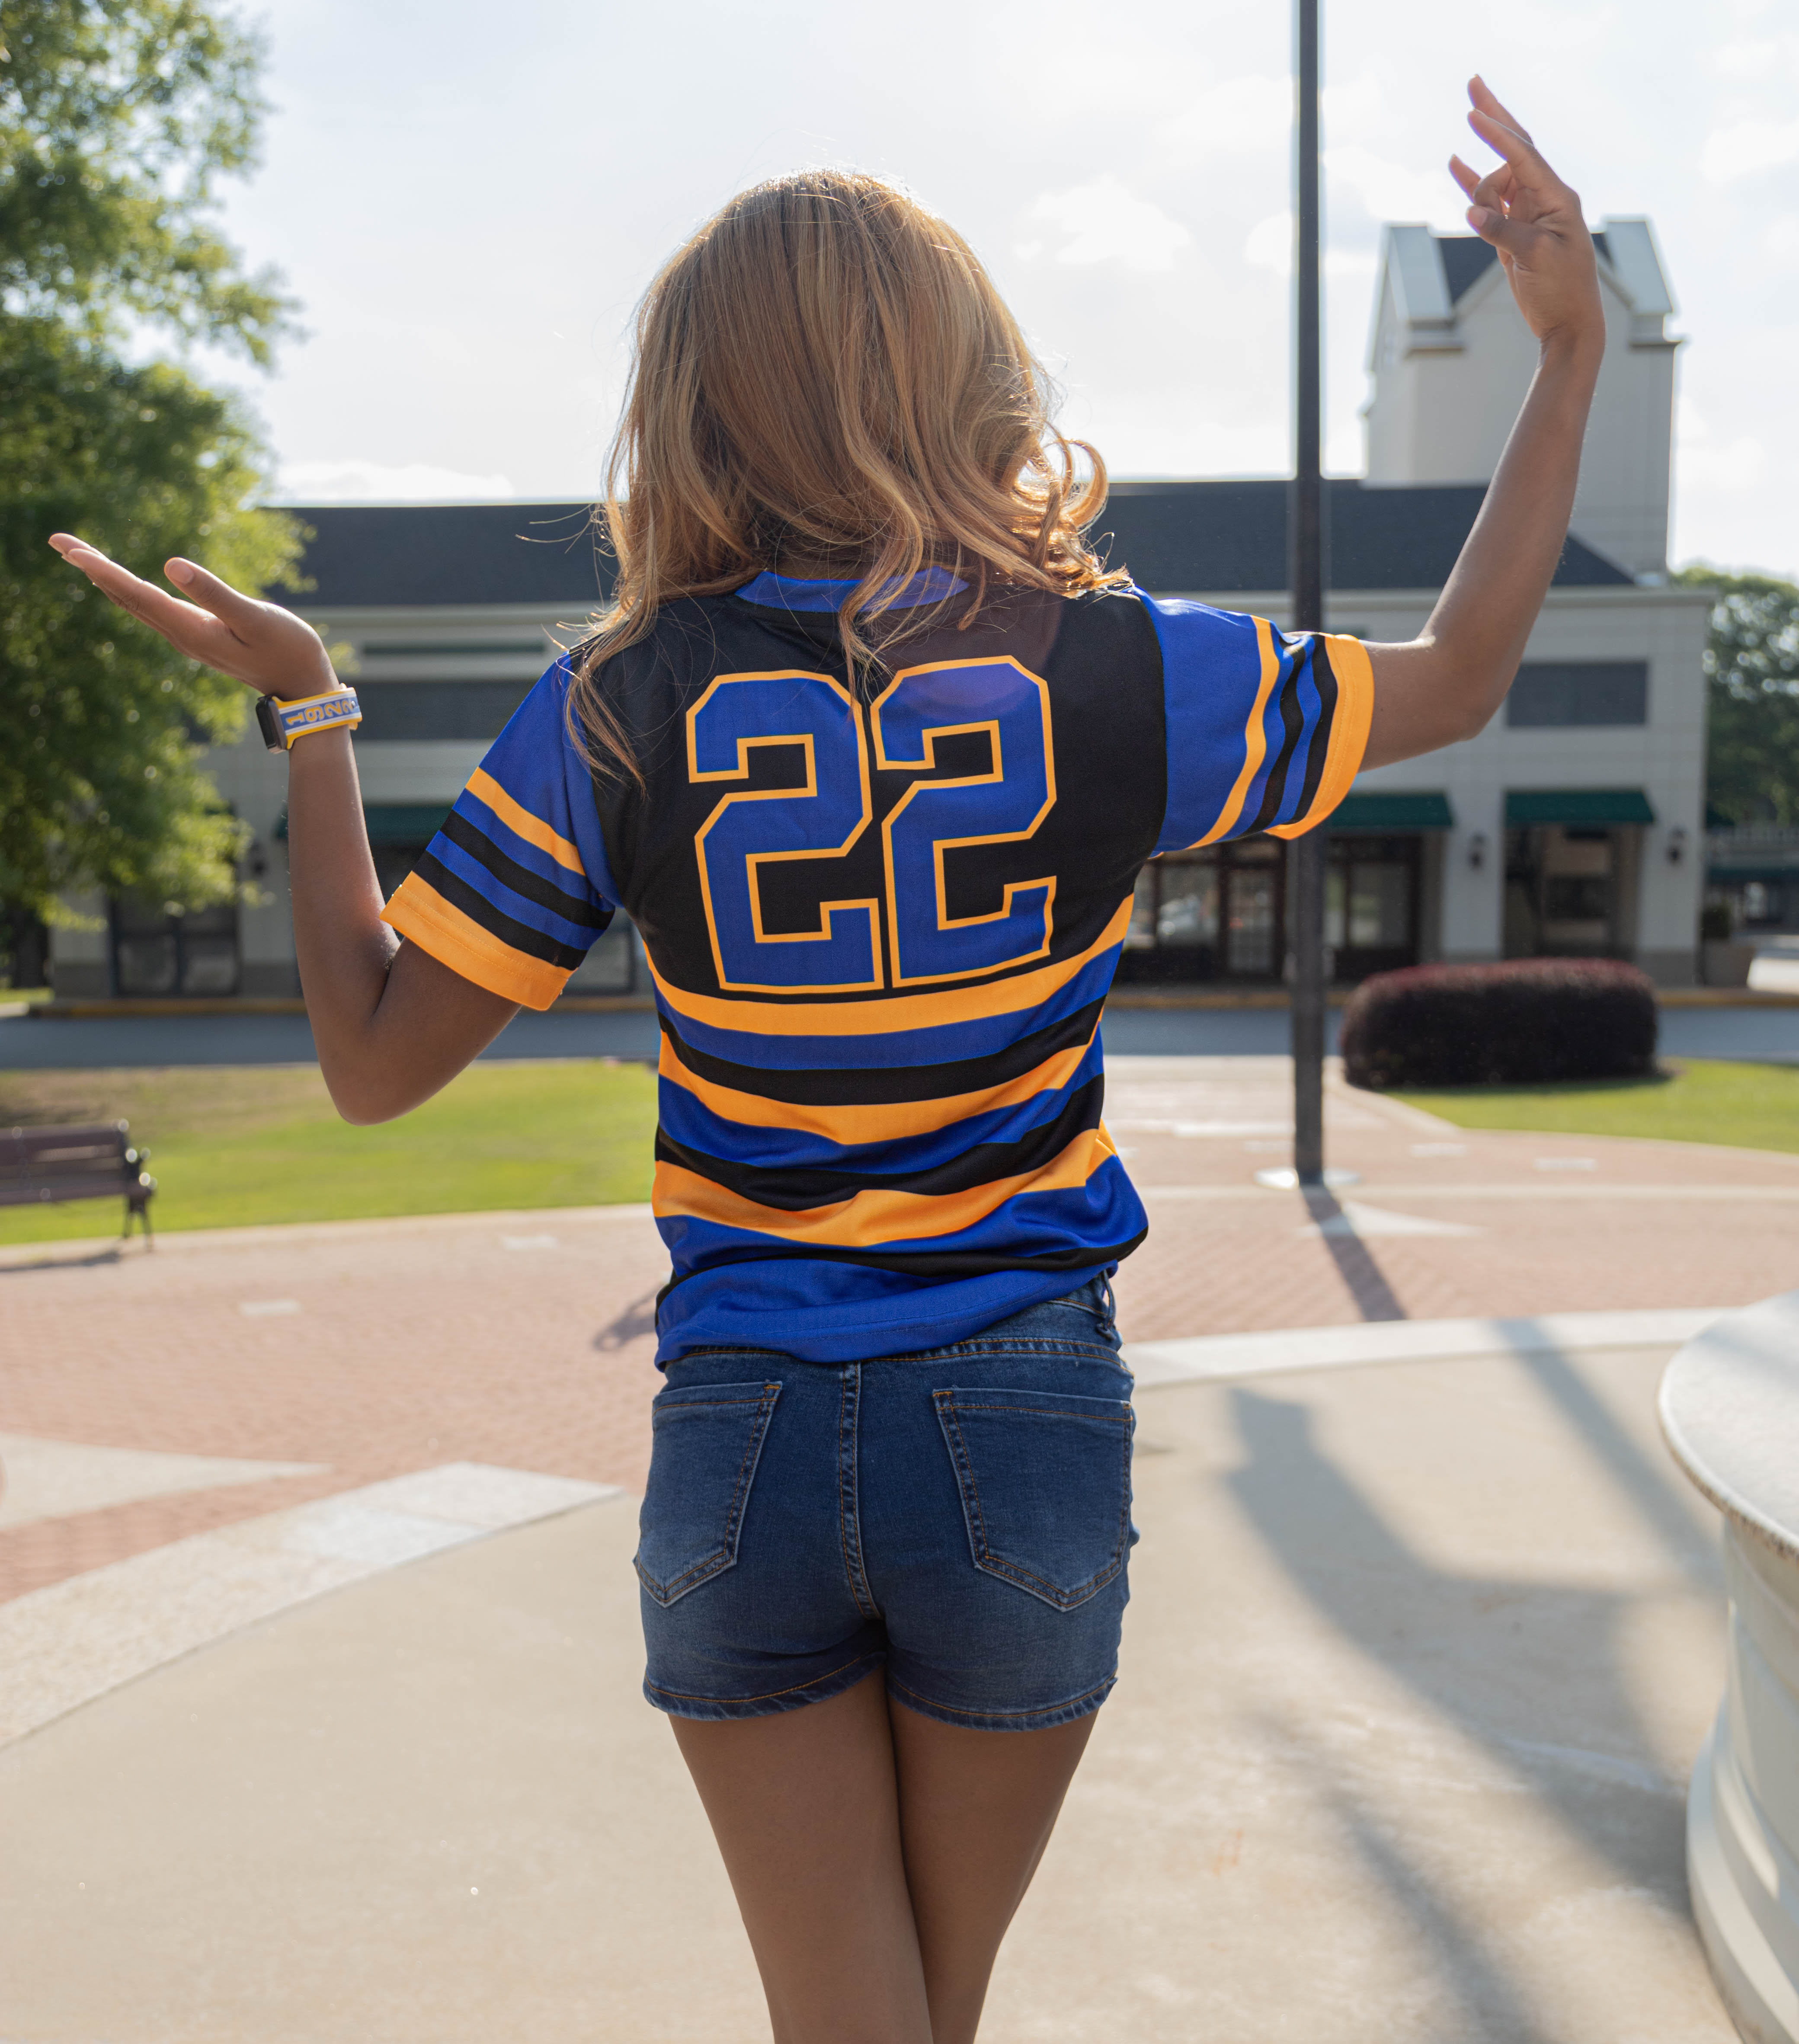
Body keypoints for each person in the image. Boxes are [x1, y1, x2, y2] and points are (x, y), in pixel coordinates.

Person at [50, 77, 1602, 2044]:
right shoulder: (1122, 666)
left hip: (745, 1434)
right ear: (957, 371)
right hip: (1024, 1422)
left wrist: (313, 715)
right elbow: (1459, 679)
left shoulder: (610, 708)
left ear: (692, 400)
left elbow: (369, 1059)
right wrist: (1562, 362)